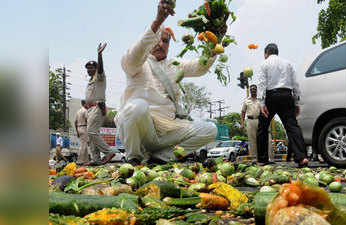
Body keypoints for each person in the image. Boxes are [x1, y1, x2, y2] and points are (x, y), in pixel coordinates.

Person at [114, 0, 226, 165]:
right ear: (149, 39)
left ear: (170, 44)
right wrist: (158, 21)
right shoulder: (137, 62)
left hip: (169, 130)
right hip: (141, 129)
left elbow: (200, 67)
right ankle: (134, 158)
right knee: (137, 107)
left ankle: (161, 158)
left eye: (165, 41)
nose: (160, 44)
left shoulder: (175, 64)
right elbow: (134, 55)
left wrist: (216, 40)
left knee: (210, 129)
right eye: (157, 39)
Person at [257, 43, 309, 167]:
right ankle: (301, 158)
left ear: (266, 53)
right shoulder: (288, 63)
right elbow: (295, 83)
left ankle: (262, 159)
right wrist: (296, 102)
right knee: (292, 126)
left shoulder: (264, 64)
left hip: (271, 96)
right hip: (286, 95)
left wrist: (262, 103)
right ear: (277, 52)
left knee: (262, 127)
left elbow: (261, 83)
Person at [84, 42, 115, 166]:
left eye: (92, 68)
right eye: (88, 68)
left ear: (96, 69)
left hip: (98, 107)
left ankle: (108, 152)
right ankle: (96, 159)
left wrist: (99, 55)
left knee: (92, 132)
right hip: (90, 109)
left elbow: (101, 69)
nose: (89, 70)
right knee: (90, 134)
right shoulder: (90, 81)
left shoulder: (99, 78)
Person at [240, 84, 262, 160]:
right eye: (252, 89)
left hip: (260, 120)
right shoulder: (246, 101)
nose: (253, 90)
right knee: (252, 140)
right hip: (250, 121)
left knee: (262, 139)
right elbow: (243, 112)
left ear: (256, 90)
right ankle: (254, 158)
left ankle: (264, 158)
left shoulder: (260, 99)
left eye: (254, 89)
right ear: (250, 90)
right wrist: (242, 123)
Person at [74, 100, 89, 165]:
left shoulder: (78, 111)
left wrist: (77, 131)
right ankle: (79, 160)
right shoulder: (85, 111)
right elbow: (87, 120)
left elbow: (75, 122)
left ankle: (86, 161)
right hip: (84, 127)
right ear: (84, 104)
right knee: (83, 145)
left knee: (83, 144)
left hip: (79, 128)